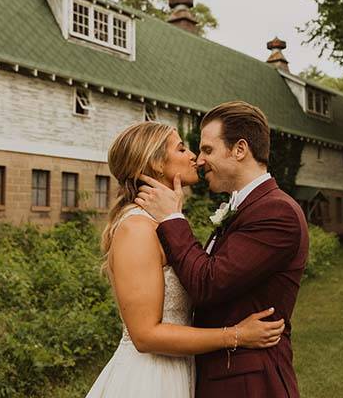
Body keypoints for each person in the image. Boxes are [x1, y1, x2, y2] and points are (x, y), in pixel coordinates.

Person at [85, 121, 285, 398]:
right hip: (149, 379)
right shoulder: (137, 229)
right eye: (181, 148)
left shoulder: (163, 222)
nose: (194, 156)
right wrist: (235, 335)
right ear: (155, 163)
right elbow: (145, 336)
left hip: (179, 369)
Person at [136, 101, 309, 398]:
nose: (199, 161)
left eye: (207, 150)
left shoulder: (276, 212)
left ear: (240, 150)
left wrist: (172, 219)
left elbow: (208, 283)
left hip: (249, 383)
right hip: (222, 375)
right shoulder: (246, 208)